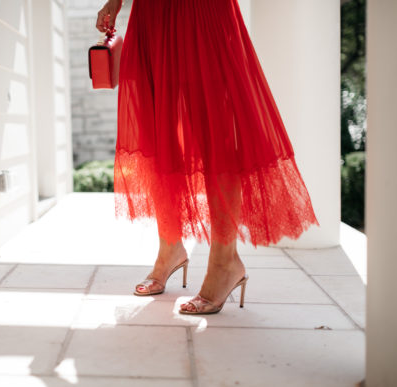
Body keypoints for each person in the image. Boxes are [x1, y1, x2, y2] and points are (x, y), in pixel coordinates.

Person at [96, 0, 319, 314]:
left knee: (216, 132)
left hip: (201, 8)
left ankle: (224, 261)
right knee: (159, 131)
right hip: (152, 11)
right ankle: (169, 248)